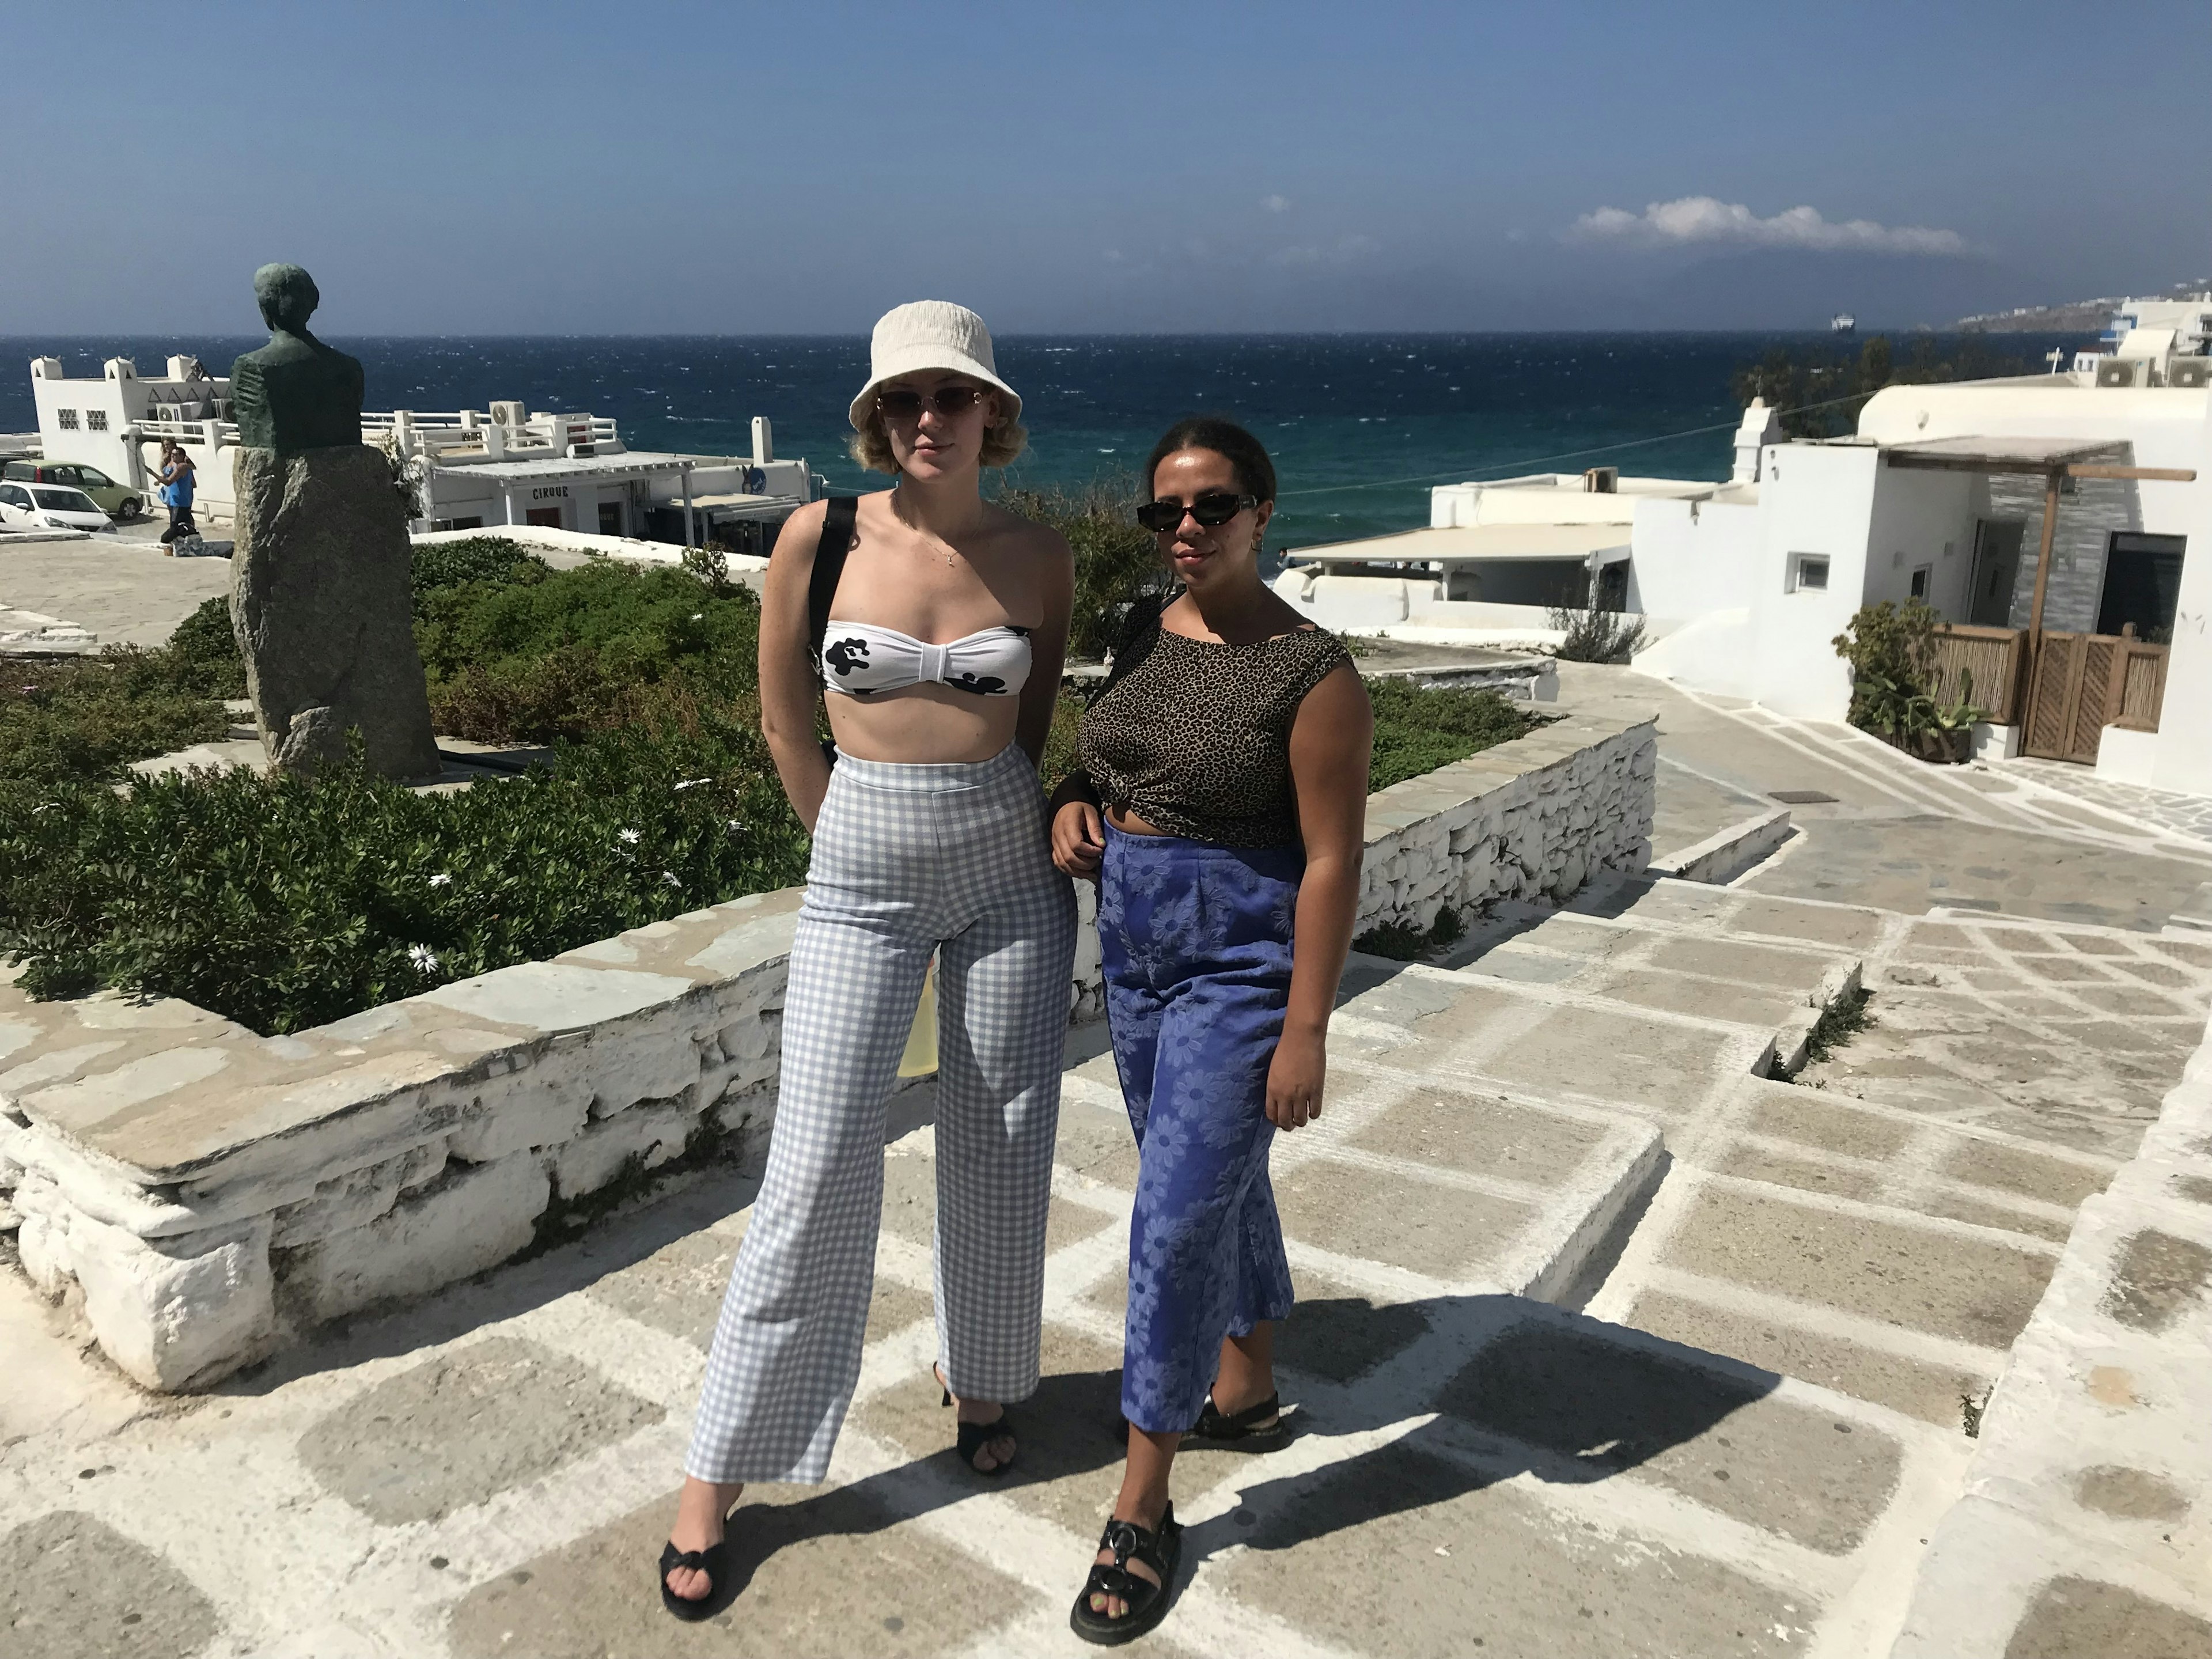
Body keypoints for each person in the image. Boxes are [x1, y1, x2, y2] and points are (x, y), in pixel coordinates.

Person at [661, 302, 1079, 1619]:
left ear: (990, 417)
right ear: (877, 417)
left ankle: (988, 1375)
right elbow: (788, 719)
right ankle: (718, 1467)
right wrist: (846, 841)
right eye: (903, 399)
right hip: (859, 871)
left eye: (951, 398)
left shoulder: (1041, 556)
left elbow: (1035, 713)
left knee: (1003, 1135)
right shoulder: (819, 535)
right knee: (817, 1156)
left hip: (1008, 866)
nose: (927, 418)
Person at [1048, 417, 1373, 1644]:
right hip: (1133, 948)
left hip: (1242, 959)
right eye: (1165, 512)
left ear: (1263, 514)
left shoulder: (1313, 671)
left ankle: (1144, 1500)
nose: (1186, 529)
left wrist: (1308, 1029)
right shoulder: (1144, 627)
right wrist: (1076, 802)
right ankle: (1245, 1382)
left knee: (1172, 1219)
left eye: (1213, 507)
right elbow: (1109, 759)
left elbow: (1334, 860)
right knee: (1212, 1184)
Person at [154, 442, 196, 547]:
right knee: (187, 524)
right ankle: (187, 542)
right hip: (184, 501)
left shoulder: (181, 467)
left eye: (175, 455)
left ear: (182, 456)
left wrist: (155, 476)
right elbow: (193, 484)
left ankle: (165, 541)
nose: (172, 456)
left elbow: (169, 481)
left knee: (175, 526)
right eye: (172, 455)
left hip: (178, 502)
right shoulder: (183, 468)